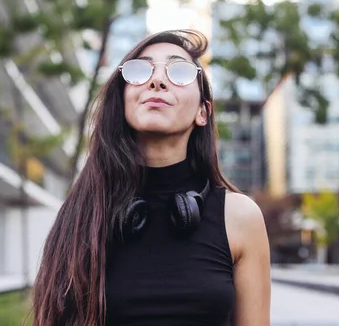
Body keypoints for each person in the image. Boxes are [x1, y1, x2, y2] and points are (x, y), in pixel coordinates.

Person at [32, 29, 271, 326]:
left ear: (203, 111)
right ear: (123, 100)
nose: (156, 81)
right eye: (140, 70)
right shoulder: (84, 215)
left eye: (179, 72)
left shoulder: (240, 217)